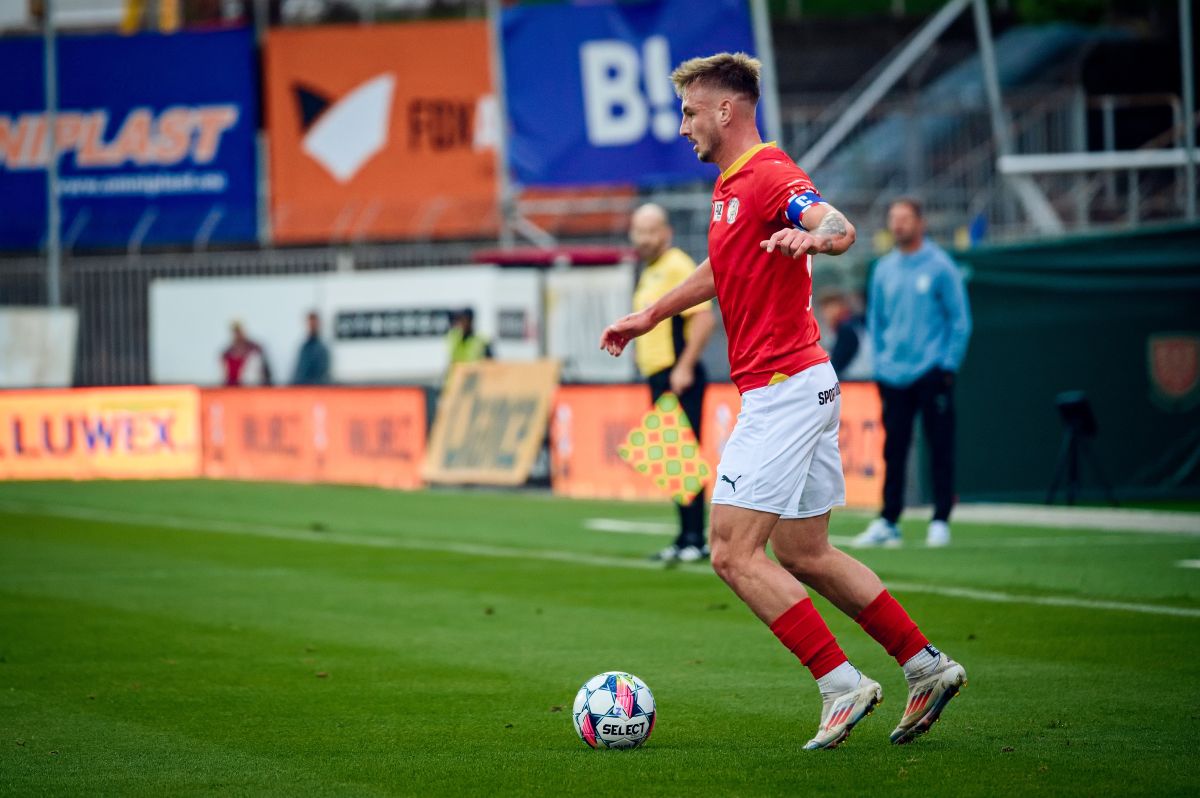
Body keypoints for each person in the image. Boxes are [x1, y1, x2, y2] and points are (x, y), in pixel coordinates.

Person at [600, 53, 965, 750]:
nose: (683, 127)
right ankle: (926, 666)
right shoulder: (731, 185)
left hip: (783, 392)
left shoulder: (769, 172)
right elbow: (723, 266)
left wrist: (818, 236)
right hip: (802, 383)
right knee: (806, 552)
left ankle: (840, 682)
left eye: (689, 112)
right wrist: (650, 315)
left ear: (726, 110)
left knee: (731, 552)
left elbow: (836, 224)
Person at [854, 198, 972, 549]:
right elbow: (876, 320)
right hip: (892, 374)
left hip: (931, 371)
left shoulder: (940, 266)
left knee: (940, 447)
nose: (898, 225)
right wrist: (881, 362)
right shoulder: (883, 269)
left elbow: (960, 320)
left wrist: (947, 365)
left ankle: (940, 519)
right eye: (894, 218)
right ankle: (889, 521)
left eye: (905, 218)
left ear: (920, 223)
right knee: (894, 448)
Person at [629, 202, 716, 563]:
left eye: (651, 231)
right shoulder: (651, 271)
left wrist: (685, 366)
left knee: (683, 456)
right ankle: (685, 536)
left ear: (666, 232)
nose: (644, 239)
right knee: (672, 458)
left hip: (677, 373)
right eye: (639, 231)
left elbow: (703, 318)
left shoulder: (676, 265)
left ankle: (696, 537)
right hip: (659, 374)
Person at [817, 288, 872, 381]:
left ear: (842, 306)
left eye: (831, 307)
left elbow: (836, 366)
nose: (827, 313)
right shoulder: (847, 327)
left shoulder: (847, 330)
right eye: (824, 308)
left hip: (859, 383)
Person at [221, 321, 272, 387]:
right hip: (232, 389)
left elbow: (266, 373)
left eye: (239, 331)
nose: (238, 335)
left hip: (253, 388)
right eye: (236, 332)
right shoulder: (226, 354)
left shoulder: (255, 351)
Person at [292, 311, 331, 385]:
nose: (311, 326)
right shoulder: (304, 347)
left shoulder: (322, 349)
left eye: (314, 324)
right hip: (300, 387)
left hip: (313, 388)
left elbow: (321, 376)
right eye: (310, 324)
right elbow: (298, 371)